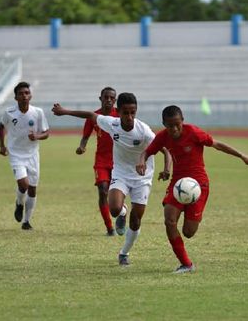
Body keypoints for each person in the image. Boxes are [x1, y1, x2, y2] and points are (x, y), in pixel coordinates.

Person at [52, 92, 171, 266]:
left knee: (136, 219)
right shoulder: (112, 124)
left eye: (133, 112)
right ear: (119, 112)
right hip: (121, 174)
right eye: (125, 113)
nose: (129, 117)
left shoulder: (143, 130)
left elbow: (165, 150)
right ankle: (122, 212)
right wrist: (64, 111)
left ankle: (124, 252)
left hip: (142, 178)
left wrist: (167, 169)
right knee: (114, 208)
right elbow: (91, 116)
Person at [137, 105, 248, 274]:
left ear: (182, 121)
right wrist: (141, 161)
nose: (174, 128)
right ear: (164, 124)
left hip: (199, 185)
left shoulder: (193, 132)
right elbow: (147, 152)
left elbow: (217, 144)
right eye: (170, 125)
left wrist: (242, 156)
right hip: (177, 184)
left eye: (177, 124)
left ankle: (193, 214)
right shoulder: (162, 137)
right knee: (169, 220)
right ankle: (186, 264)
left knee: (188, 232)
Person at [0, 82, 50, 230]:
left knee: (33, 189)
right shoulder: (9, 112)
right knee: (23, 184)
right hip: (16, 154)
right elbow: (2, 125)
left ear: (30, 95)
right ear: (15, 97)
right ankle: (19, 203)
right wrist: (2, 145)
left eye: (26, 93)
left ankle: (26, 222)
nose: (24, 96)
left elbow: (46, 133)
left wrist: (37, 136)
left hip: (33, 155)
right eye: (21, 93)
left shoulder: (38, 112)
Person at [76, 87, 119, 236]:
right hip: (101, 160)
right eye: (105, 97)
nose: (108, 100)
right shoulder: (93, 117)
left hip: (119, 162)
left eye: (111, 98)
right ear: (100, 98)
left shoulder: (120, 115)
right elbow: (85, 136)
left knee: (117, 194)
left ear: (115, 100)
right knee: (103, 191)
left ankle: (122, 214)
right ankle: (109, 228)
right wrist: (82, 147)